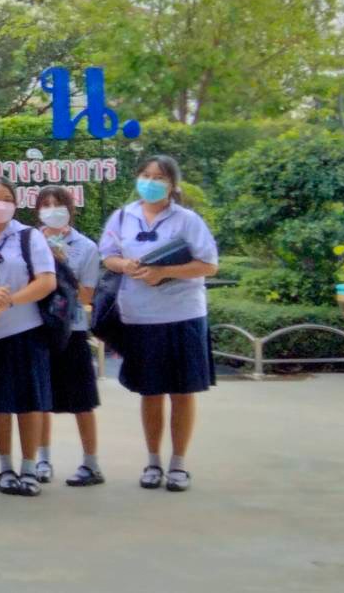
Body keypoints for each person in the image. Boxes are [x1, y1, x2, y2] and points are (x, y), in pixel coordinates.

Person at [100, 155, 219, 493]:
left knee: (182, 392)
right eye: (146, 175)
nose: (151, 182)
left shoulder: (187, 220)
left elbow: (209, 265)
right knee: (150, 391)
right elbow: (107, 255)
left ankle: (178, 464)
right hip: (139, 316)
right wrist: (125, 265)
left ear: (172, 184)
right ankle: (153, 462)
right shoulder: (122, 216)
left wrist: (164, 272)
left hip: (183, 315)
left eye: (159, 177)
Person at [0, 178, 59, 497]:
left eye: (7, 199)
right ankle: (6, 468)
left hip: (26, 332)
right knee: (0, 404)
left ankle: (29, 468)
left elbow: (46, 282)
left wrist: (7, 302)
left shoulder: (28, 236)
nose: (0, 204)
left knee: (30, 403)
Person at [34, 186, 105, 487]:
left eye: (58, 204)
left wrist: (60, 267)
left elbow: (86, 295)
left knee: (82, 400)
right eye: (46, 204)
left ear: (70, 209)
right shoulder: (30, 241)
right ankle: (41, 460)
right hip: (37, 328)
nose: (52, 210)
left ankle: (91, 464)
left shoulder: (86, 247)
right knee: (40, 399)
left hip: (72, 331)